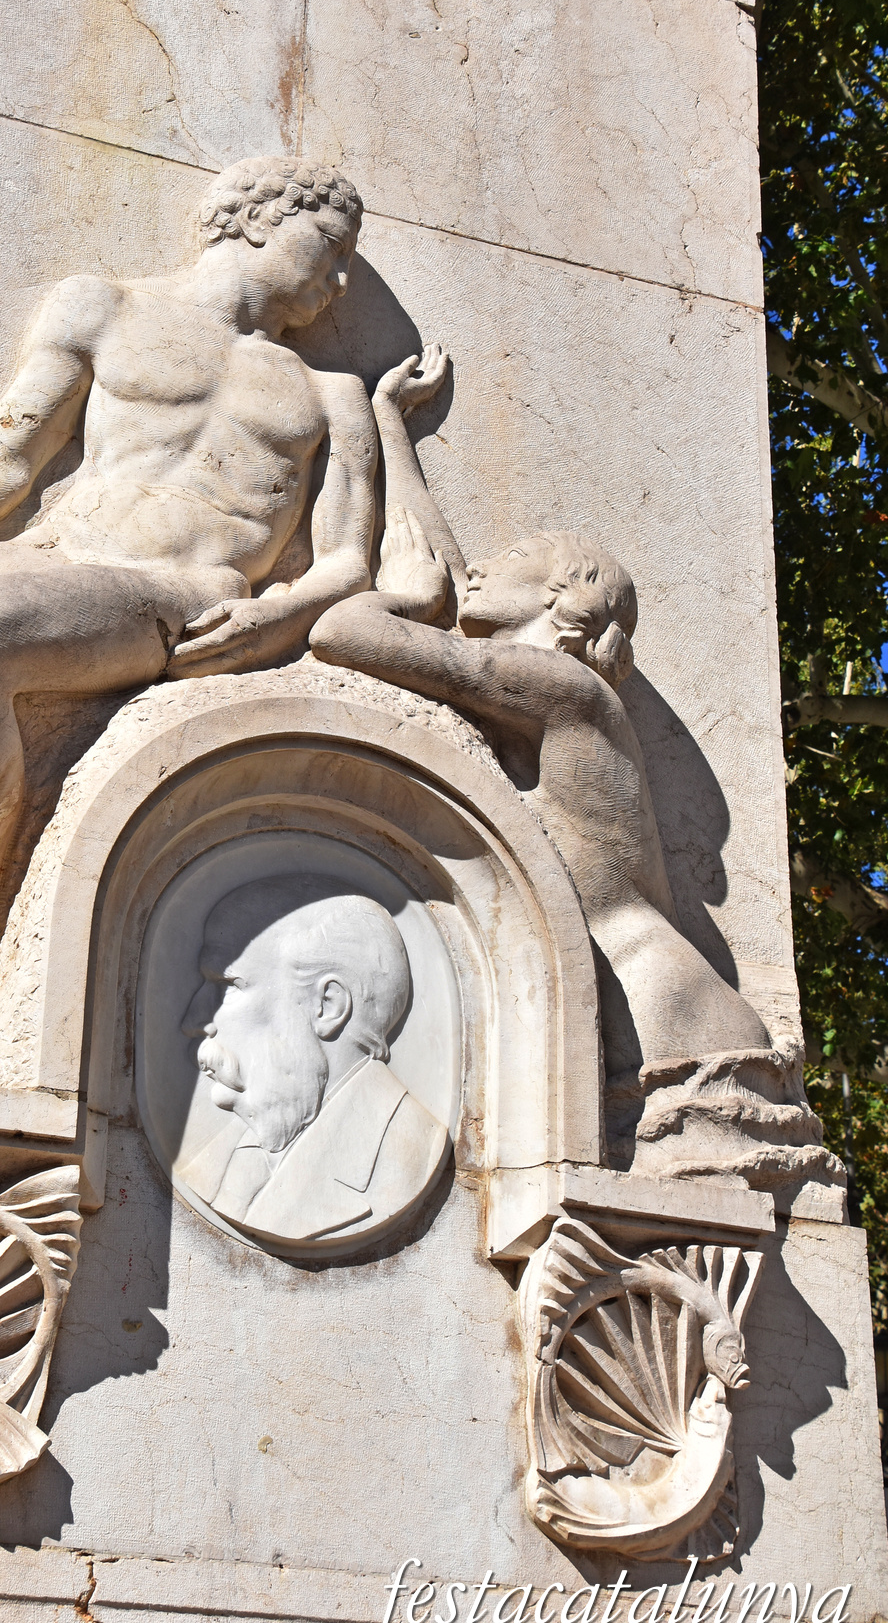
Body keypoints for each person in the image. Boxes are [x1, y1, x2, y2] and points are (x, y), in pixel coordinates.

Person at [0, 158, 443, 1048]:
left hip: (181, 593)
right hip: (57, 556)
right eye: (330, 247)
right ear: (262, 220)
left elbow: (347, 562)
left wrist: (279, 613)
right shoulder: (102, 306)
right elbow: (2, 464)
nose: (340, 281)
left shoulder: (328, 393)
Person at [309, 356, 772, 1086]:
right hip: (628, 1008)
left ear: (565, 605)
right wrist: (392, 422)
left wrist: (399, 599)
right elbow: (448, 571)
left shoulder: (565, 686)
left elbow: (344, 633)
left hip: (674, 1020)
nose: (483, 565)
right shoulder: (535, 685)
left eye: (513, 555)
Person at [177, 875, 447, 1245]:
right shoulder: (223, 1159)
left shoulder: (408, 1157)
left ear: (328, 1006)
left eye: (227, 987)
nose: (193, 1022)